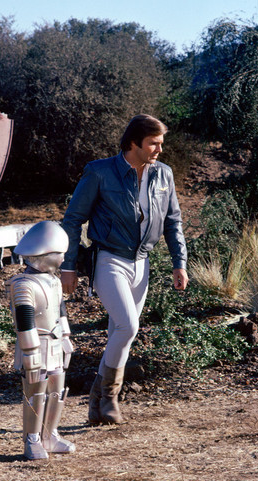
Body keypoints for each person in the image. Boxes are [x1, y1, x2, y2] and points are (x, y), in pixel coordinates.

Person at [60, 114, 188, 425]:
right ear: (133, 143)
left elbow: (173, 222)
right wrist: (68, 265)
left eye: (161, 143)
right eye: (153, 143)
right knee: (128, 327)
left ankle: (97, 404)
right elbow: (73, 219)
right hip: (109, 259)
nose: (159, 149)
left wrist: (179, 263)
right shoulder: (100, 171)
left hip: (142, 262)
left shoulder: (164, 174)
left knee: (121, 333)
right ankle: (108, 397)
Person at [6, 221, 76, 460]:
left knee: (57, 390)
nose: (64, 258)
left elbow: (60, 310)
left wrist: (65, 336)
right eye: (60, 253)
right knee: (36, 392)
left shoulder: (53, 280)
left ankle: (50, 435)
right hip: (36, 345)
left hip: (55, 343)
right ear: (45, 255)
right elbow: (24, 321)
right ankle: (32, 439)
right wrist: (30, 351)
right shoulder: (23, 285)